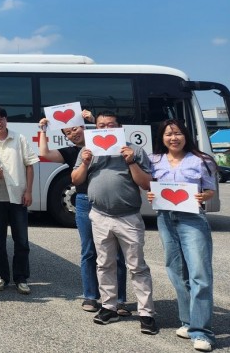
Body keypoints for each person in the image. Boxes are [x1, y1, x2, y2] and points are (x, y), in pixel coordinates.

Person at [72, 111, 157, 335]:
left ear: (120, 128)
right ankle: (108, 307)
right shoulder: (87, 150)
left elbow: (146, 183)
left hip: (128, 216)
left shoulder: (134, 150)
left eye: (110, 125)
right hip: (99, 215)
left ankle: (146, 313)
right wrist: (85, 162)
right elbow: (76, 179)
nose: (105, 128)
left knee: (137, 266)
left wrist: (131, 162)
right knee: (104, 264)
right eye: (101, 125)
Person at [38, 111, 130, 315]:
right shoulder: (72, 152)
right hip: (84, 201)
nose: (73, 133)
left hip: (110, 201)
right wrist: (43, 130)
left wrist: (94, 119)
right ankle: (91, 295)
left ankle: (119, 299)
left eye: (76, 128)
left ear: (84, 127)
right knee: (89, 250)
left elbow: (112, 131)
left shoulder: (109, 144)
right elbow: (44, 153)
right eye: (68, 132)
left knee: (116, 252)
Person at [148, 119, 216, 351]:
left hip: (192, 219)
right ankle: (188, 322)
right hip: (165, 218)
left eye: (177, 133)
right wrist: (151, 194)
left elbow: (210, 189)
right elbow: (150, 185)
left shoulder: (201, 160)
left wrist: (204, 196)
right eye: (168, 134)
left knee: (199, 274)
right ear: (162, 138)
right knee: (176, 272)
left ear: (186, 135)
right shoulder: (154, 160)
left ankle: (202, 332)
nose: (173, 138)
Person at [0, 106, 38, 295]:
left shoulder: (19, 138)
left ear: (6, 120)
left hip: (18, 196)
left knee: (21, 240)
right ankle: (2, 277)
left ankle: (21, 278)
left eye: (1, 119)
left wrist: (29, 191)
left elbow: (29, 165)